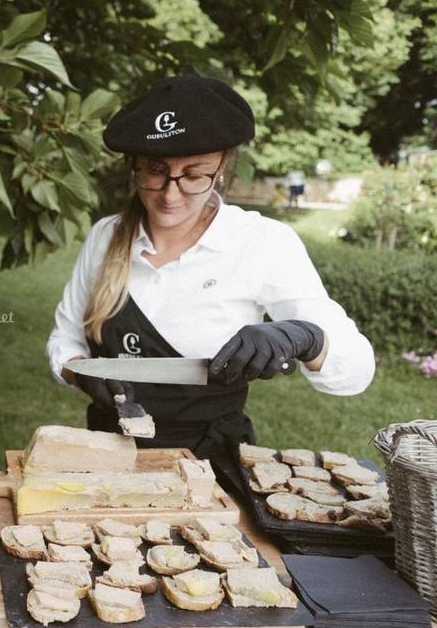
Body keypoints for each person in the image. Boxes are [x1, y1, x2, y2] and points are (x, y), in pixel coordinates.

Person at [46, 76, 375, 479]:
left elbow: (356, 371)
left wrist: (305, 337)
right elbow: (65, 339)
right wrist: (78, 369)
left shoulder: (261, 242)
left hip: (211, 466)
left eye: (194, 175)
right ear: (133, 167)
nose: (170, 194)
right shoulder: (105, 237)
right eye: (155, 172)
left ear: (222, 169)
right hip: (106, 459)